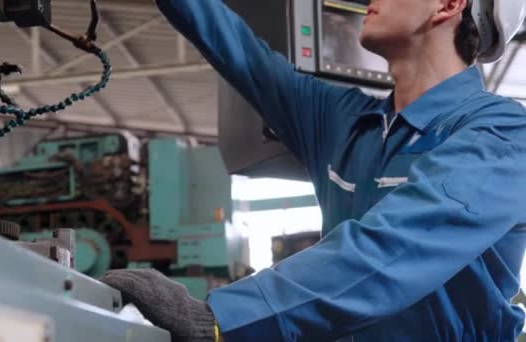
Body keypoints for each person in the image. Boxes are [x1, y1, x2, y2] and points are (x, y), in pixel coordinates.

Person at [102, 0, 526, 340]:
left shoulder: (502, 134)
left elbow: (393, 247)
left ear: (449, 5)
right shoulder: (346, 123)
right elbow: (239, 51)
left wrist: (218, 318)